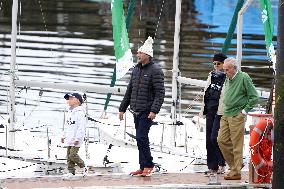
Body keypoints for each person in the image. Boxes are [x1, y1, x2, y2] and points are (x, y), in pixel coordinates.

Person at [118, 36, 165, 177]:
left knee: (141, 137)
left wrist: (154, 110)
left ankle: (149, 164)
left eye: (140, 53)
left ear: (148, 55)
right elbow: (129, 90)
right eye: (137, 53)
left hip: (147, 110)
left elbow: (160, 93)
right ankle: (142, 166)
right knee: (139, 139)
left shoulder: (156, 70)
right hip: (135, 110)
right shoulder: (136, 70)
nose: (137, 55)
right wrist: (122, 108)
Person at [217, 57, 259, 180]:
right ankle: (236, 165)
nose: (224, 72)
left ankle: (235, 172)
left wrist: (244, 111)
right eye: (224, 70)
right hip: (226, 113)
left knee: (237, 144)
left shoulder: (243, 77)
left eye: (226, 70)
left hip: (237, 114)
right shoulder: (228, 78)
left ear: (234, 69)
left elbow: (254, 97)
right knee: (221, 140)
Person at [200, 52, 227, 175]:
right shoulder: (211, 75)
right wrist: (203, 110)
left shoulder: (227, 77)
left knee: (216, 138)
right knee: (208, 139)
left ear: (223, 63)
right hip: (210, 110)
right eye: (214, 63)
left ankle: (222, 163)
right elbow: (206, 91)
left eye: (219, 63)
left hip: (220, 111)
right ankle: (212, 166)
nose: (216, 66)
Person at [61, 92, 87, 177]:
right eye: (68, 99)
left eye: (71, 98)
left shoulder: (80, 113)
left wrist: (77, 138)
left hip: (76, 139)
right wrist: (63, 135)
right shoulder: (70, 112)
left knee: (73, 154)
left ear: (78, 100)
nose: (69, 100)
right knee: (68, 156)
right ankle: (71, 172)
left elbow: (81, 127)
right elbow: (66, 125)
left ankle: (83, 166)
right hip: (69, 137)